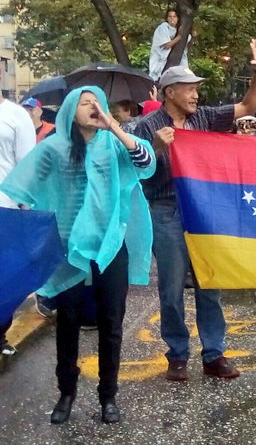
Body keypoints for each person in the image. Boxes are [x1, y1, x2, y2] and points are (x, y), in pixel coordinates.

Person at [1, 87, 156, 425]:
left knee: (111, 323)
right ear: (71, 110)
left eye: (96, 103)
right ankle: (66, 393)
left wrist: (113, 124)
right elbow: (24, 185)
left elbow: (146, 164)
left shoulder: (114, 144)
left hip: (110, 246)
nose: (92, 108)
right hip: (68, 249)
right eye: (85, 104)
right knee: (68, 322)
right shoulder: (55, 147)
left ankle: (108, 396)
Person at [131, 39, 256, 382]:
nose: (195, 96)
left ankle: (213, 354)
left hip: (205, 211)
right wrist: (156, 148)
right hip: (166, 210)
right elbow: (137, 170)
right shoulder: (147, 126)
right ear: (169, 92)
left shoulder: (205, 117)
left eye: (196, 90)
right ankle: (177, 354)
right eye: (189, 90)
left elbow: (249, 105)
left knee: (210, 283)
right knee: (171, 287)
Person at [0, 92, 37, 355]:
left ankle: (0, 333)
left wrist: (27, 212)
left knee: (6, 276)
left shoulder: (16, 115)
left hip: (7, 208)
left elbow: (27, 166)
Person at [148, 8, 190, 80]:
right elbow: (167, 45)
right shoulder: (163, 27)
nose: (172, 19)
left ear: (178, 18)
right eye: (170, 16)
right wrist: (179, 36)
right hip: (159, 62)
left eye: (174, 16)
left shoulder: (178, 29)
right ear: (167, 18)